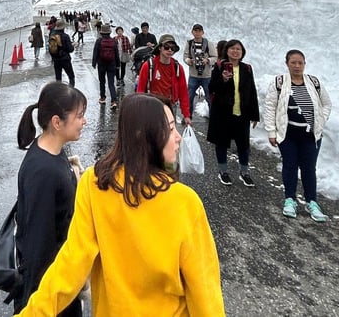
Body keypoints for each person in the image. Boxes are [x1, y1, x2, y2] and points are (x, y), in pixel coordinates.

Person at [15, 94, 225, 317]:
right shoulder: (185, 202)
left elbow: (70, 264)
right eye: (171, 129)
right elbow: (205, 292)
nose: (178, 137)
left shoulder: (94, 184)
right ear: (145, 137)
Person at [14, 83, 88, 316]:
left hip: (61, 277)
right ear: (57, 122)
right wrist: (35, 303)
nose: (84, 121)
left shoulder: (51, 150)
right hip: (52, 287)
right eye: (79, 116)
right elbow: (38, 245)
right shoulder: (43, 171)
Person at [264, 49, 333, 222]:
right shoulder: (279, 82)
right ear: (287, 63)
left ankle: (312, 202)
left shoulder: (314, 82)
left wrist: (321, 120)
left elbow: (326, 104)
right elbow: (270, 107)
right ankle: (290, 200)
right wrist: (271, 131)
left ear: (304, 64)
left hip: (310, 136)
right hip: (288, 135)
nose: (297, 66)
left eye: (300, 62)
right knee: (290, 166)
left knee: (309, 169)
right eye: (293, 62)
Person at [207, 39, 260, 187]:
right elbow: (211, 88)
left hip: (241, 113)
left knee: (243, 145)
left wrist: (255, 115)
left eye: (238, 49)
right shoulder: (219, 66)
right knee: (221, 143)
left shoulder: (247, 68)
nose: (235, 51)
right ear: (227, 50)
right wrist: (223, 79)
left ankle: (244, 173)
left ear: (242, 52)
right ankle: (223, 171)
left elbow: (252, 91)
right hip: (222, 113)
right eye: (232, 48)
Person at [135, 34, 191, 126]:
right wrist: (140, 111)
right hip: (153, 106)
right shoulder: (148, 65)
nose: (170, 50)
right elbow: (140, 90)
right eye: (166, 47)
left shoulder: (177, 67)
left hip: (171, 106)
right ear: (160, 48)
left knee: (169, 132)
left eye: (172, 48)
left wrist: (186, 115)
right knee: (153, 133)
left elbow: (183, 92)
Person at [183, 24, 217, 112]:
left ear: (203, 32)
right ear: (192, 32)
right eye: (195, 31)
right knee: (189, 97)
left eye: (199, 31)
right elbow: (185, 56)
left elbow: (215, 57)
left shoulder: (209, 43)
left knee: (209, 98)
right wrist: (188, 61)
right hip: (193, 75)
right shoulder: (189, 43)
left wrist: (207, 60)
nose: (197, 33)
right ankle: (188, 116)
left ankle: (212, 116)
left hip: (206, 76)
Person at [92, 24, 120, 109]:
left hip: (101, 64)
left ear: (101, 33)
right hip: (112, 64)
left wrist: (94, 63)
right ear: (109, 32)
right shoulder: (113, 41)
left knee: (102, 81)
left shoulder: (99, 41)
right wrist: (118, 64)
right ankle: (114, 101)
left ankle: (102, 98)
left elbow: (95, 52)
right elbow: (116, 54)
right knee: (111, 83)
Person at [49, 20, 76, 86]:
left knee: (58, 78)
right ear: (63, 27)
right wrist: (73, 45)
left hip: (56, 60)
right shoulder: (65, 36)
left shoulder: (52, 36)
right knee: (71, 76)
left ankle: (59, 90)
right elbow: (70, 49)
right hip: (65, 59)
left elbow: (50, 49)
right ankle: (71, 90)